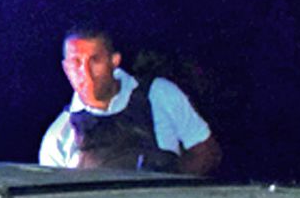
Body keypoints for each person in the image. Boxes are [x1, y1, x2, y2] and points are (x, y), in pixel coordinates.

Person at [39, 25, 221, 175]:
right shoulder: (58, 137)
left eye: (95, 60)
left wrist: (170, 185)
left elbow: (207, 152)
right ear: (65, 68)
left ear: (114, 60)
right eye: (76, 63)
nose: (85, 73)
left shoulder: (159, 94)